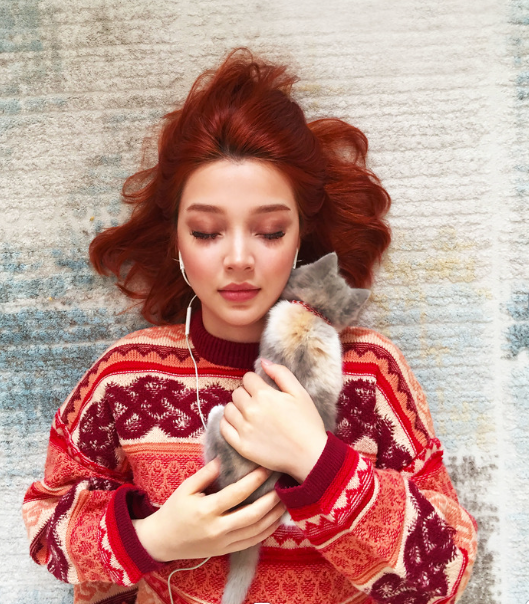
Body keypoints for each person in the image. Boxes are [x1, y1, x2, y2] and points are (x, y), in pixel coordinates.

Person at [22, 47, 478, 604]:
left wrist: (320, 462)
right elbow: (47, 521)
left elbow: (446, 574)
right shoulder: (124, 377)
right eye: (208, 232)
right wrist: (152, 538)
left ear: (301, 239)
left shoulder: (368, 373)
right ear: (176, 241)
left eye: (268, 231)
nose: (238, 258)